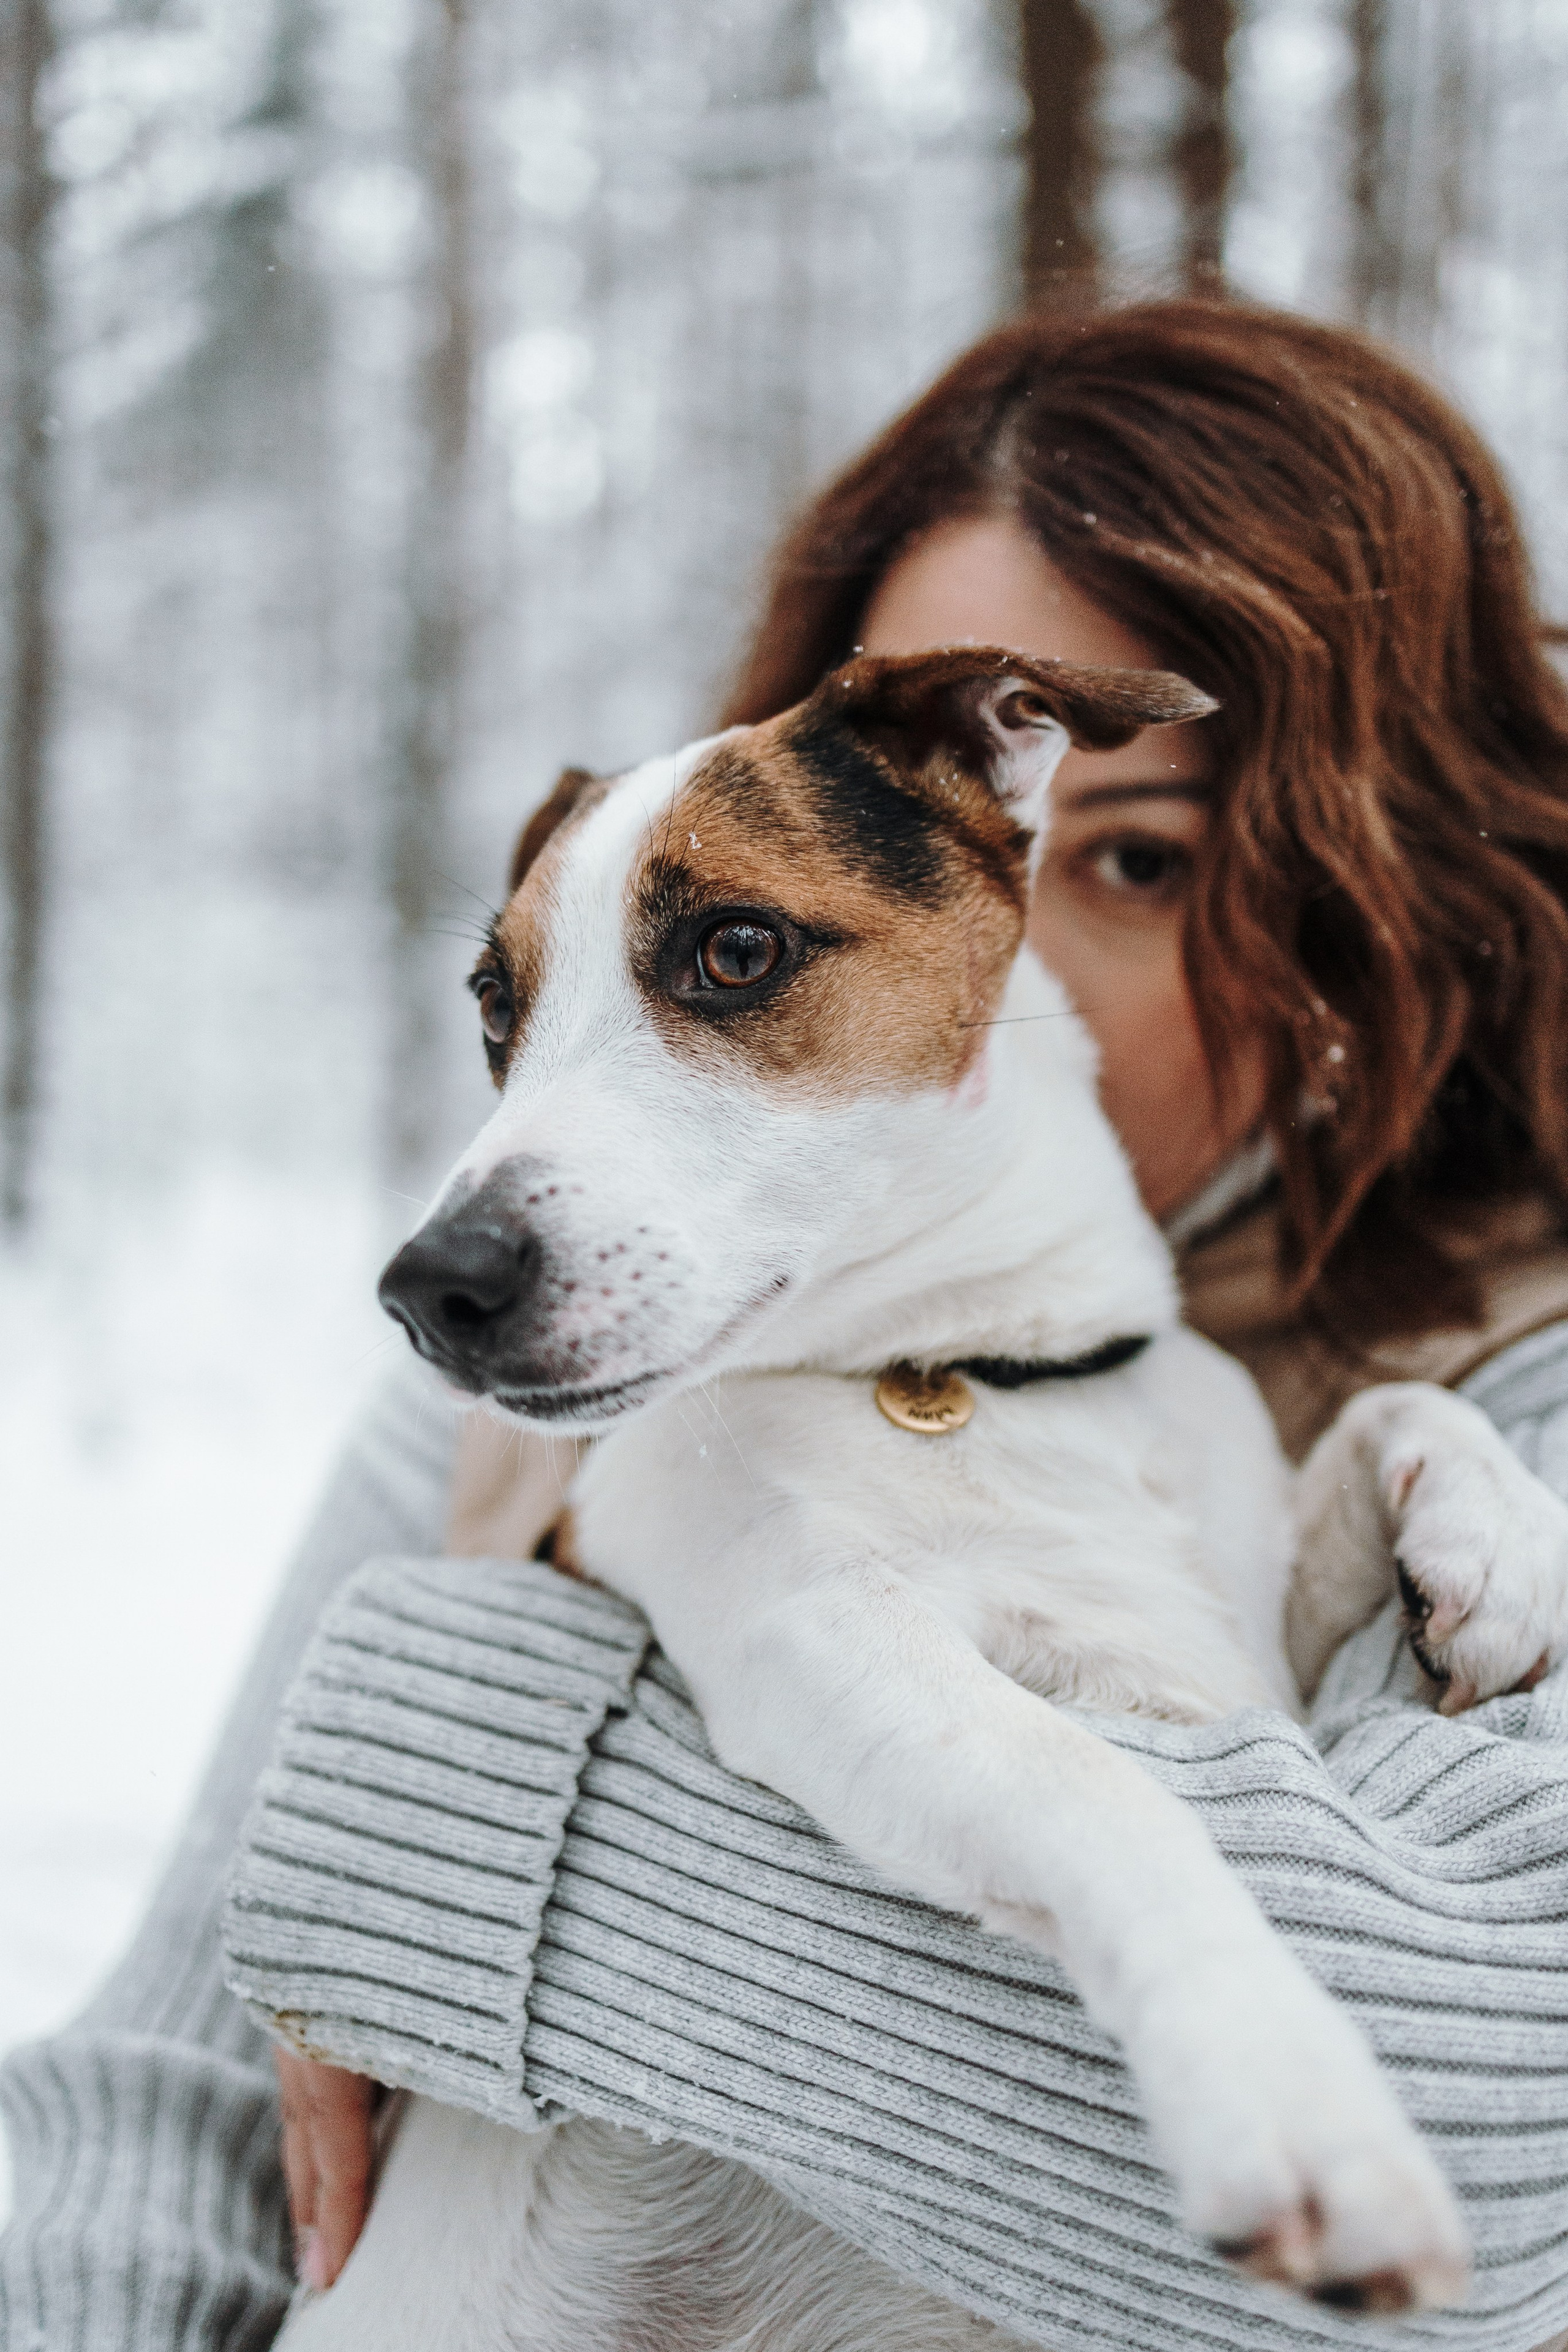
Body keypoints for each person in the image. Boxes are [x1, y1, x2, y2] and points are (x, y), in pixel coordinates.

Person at [7, 296, 1568, 2352]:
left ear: (1385, 876)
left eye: (1139, 857)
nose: (1019, 971)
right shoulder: (564, 1350)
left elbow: (1487, 2198)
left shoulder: (1512, 1378)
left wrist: (423, 1770)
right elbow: (164, 2110)